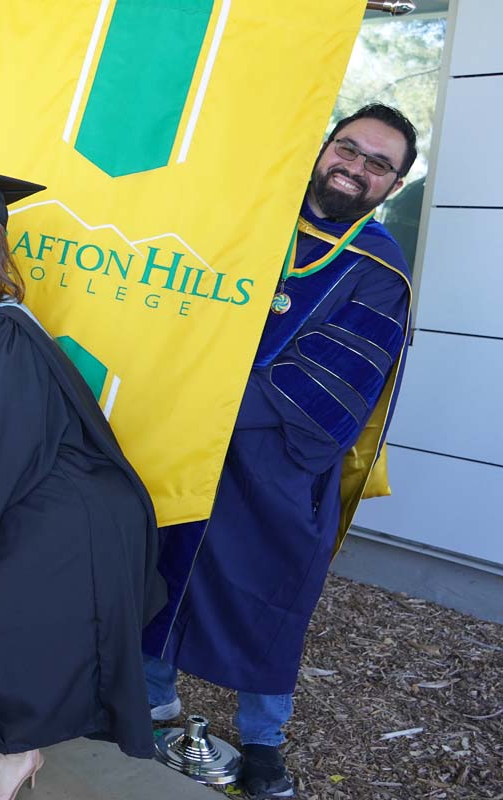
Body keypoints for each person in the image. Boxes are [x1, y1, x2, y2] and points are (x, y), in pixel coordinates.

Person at [142, 104, 417, 800]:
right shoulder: (253, 219)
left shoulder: (380, 269)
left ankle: (263, 741)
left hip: (281, 463)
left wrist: (204, 400)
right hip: (188, 445)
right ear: (323, 148)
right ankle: (151, 701)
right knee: (160, 569)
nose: (354, 167)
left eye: (377, 163)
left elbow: (336, 380)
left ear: (395, 184)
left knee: (271, 596)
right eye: (347, 149)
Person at [0, 167, 165, 800]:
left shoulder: (1, 326)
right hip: (24, 502)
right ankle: (4, 751)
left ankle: (16, 754)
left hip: (63, 513)